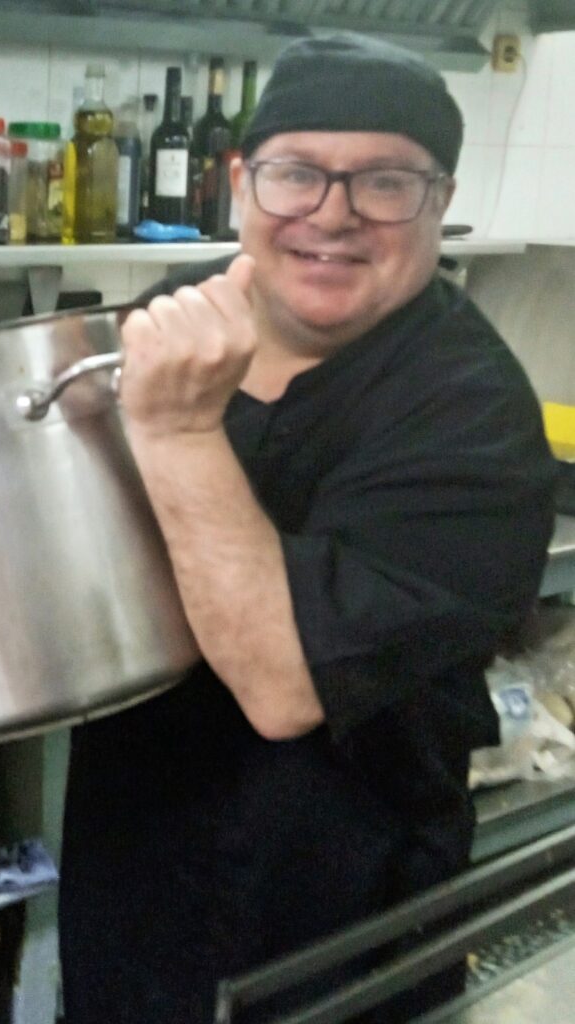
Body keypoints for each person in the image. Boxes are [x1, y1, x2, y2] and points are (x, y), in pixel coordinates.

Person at [58, 31, 557, 1024]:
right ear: (242, 184)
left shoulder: (472, 415)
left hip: (338, 928)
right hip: (132, 875)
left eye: (384, 182)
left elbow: (286, 686)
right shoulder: (178, 315)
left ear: (441, 201)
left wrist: (180, 431)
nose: (331, 214)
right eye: (296, 174)